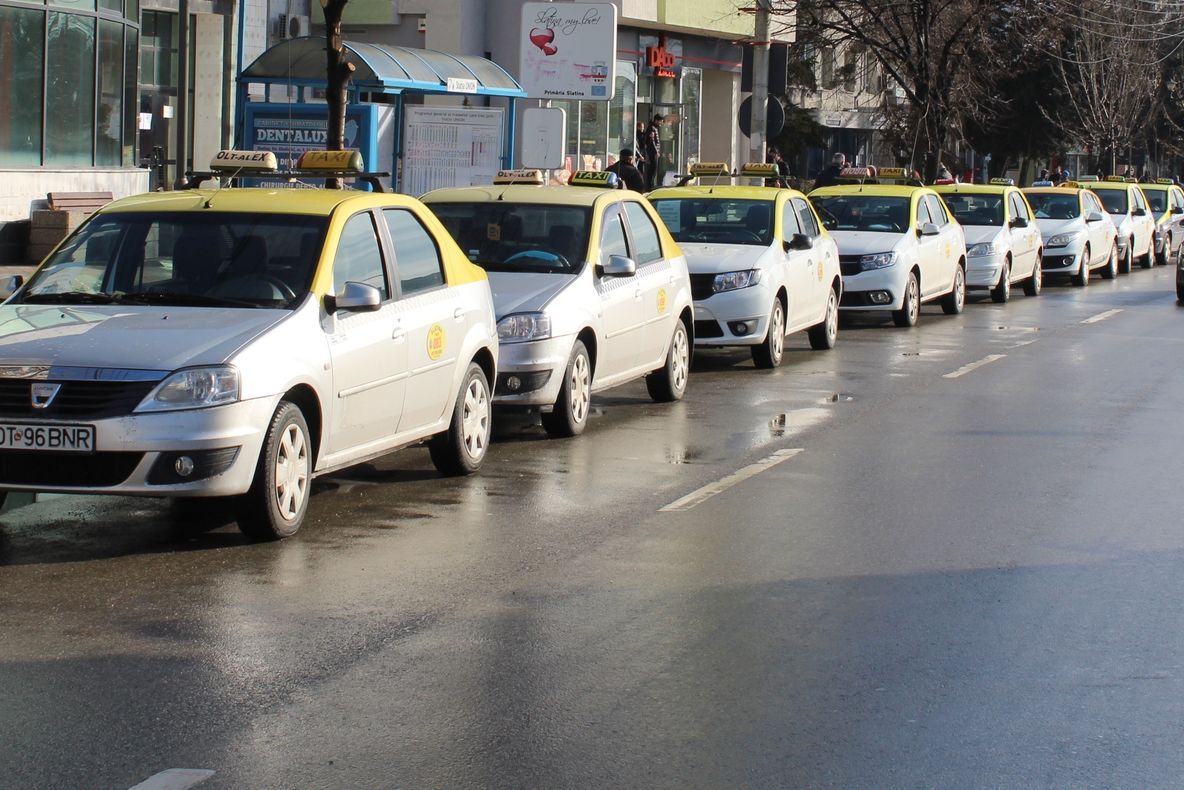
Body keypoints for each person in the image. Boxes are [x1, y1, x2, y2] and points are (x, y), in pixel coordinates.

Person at [642, 114, 663, 191]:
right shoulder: (651, 128)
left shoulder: (654, 128)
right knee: (652, 170)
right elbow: (652, 141)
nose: (661, 123)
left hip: (653, 152)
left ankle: (650, 185)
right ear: (656, 120)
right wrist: (656, 151)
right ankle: (649, 187)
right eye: (660, 122)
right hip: (652, 152)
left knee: (653, 170)